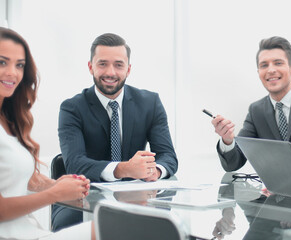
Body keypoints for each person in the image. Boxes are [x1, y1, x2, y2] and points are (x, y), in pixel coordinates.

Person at [52, 33, 178, 231]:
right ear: (90, 66)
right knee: (66, 223)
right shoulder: (71, 108)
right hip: (83, 199)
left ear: (128, 69)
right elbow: (75, 164)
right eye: (102, 64)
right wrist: (124, 169)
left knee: (169, 225)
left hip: (138, 198)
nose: (110, 72)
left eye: (118, 65)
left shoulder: (150, 103)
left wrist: (155, 171)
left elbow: (168, 156)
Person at [0, 27, 95, 240]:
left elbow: (20, 176)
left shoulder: (10, 120)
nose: (12, 73)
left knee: (115, 227)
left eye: (19, 65)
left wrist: (60, 184)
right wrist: (55, 194)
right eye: (2, 62)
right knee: (111, 228)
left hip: (29, 232)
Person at [211, 36, 291, 174]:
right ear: (258, 73)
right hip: (274, 194)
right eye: (264, 65)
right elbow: (233, 164)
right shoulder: (256, 111)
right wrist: (227, 140)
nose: (271, 70)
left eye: (278, 63)